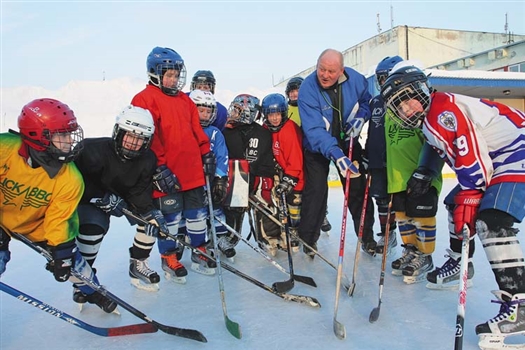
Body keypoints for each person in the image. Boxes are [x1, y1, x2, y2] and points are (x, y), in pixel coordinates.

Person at [381, 64, 525, 345]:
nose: (405, 110)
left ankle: (520, 305)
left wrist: (472, 194)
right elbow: (462, 159)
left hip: (517, 151)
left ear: (421, 90)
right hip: (500, 158)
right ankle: (461, 263)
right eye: (398, 107)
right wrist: (465, 193)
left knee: (491, 221)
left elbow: (471, 156)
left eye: (407, 100)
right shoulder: (430, 117)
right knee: (453, 202)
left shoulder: (442, 110)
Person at [0, 98, 116, 313]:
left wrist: (62, 252)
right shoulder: (4, 147)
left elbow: (59, 218)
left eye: (69, 134)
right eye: (61, 135)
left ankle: (92, 291)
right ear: (37, 136)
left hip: (37, 224)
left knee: (73, 262)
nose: (69, 141)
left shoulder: (70, 178)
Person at [131, 46, 217, 279]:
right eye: (168, 74)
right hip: (166, 173)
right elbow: (147, 137)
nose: (173, 79)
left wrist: (206, 152)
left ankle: (199, 251)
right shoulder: (144, 99)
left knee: (197, 215)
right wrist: (158, 167)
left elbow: (197, 130)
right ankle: (169, 257)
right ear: (154, 73)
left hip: (192, 172)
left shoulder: (185, 101)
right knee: (170, 219)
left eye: (176, 75)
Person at [74, 105, 169, 293]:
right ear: (118, 132)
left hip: (123, 198)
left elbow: (139, 191)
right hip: (91, 199)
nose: (134, 143)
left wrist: (149, 212)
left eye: (140, 139)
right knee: (92, 230)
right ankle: (83, 278)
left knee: (151, 221)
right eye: (130, 136)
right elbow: (72, 183)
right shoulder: (90, 149)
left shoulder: (148, 158)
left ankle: (138, 264)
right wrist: (99, 197)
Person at [297, 48, 376, 258]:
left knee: (357, 189)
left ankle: (366, 237)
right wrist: (336, 154)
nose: (325, 75)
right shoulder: (307, 88)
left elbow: (368, 102)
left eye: (331, 71)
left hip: (348, 141)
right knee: (316, 191)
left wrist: (361, 117)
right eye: (321, 69)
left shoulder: (357, 80)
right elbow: (314, 130)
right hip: (318, 146)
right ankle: (308, 239)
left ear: (341, 70)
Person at [222, 94, 279, 255]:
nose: (233, 112)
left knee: (265, 205)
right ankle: (230, 238)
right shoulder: (227, 132)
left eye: (238, 110)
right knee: (234, 211)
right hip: (236, 178)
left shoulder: (262, 133)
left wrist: (261, 181)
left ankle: (268, 238)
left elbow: (266, 161)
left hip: (257, 178)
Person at [364, 56, 403, 256]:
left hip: (398, 162)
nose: (382, 83)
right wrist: (367, 154)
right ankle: (388, 234)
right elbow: (373, 131)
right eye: (379, 79)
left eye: (385, 77)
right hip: (378, 161)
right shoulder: (376, 102)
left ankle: (410, 243)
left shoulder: (404, 101)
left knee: (402, 203)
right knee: (380, 199)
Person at [188, 89, 232, 258]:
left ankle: (220, 238)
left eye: (208, 111)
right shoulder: (186, 129)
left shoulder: (215, 132)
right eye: (201, 110)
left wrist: (221, 178)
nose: (205, 115)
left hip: (210, 179)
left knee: (216, 209)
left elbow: (222, 156)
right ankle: (191, 241)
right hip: (191, 181)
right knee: (194, 213)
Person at [286, 77, 332, 235]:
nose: (294, 95)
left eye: (297, 91)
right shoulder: (286, 110)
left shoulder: (310, 106)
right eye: (291, 92)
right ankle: (296, 220)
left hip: (310, 152)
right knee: (299, 188)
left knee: (316, 187)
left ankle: (322, 215)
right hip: (294, 154)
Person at [261, 93, 304, 253]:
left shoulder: (290, 129)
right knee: (280, 206)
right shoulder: (266, 129)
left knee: (294, 208)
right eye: (271, 114)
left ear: (283, 113)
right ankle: (283, 233)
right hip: (281, 174)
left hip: (297, 176)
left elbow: (296, 160)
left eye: (277, 114)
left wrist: (288, 180)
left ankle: (294, 232)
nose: (274, 118)